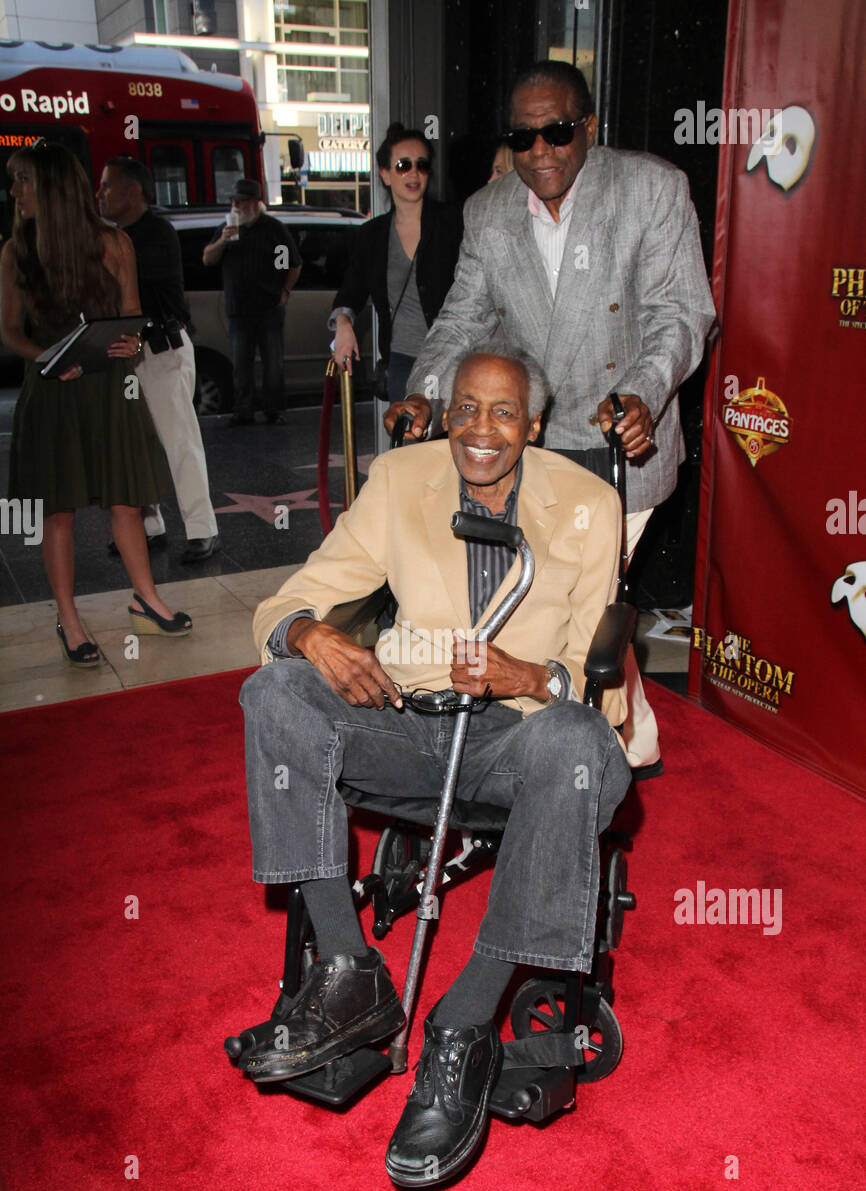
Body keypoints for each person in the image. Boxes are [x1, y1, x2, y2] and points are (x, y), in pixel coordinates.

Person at [236, 348, 632, 1189]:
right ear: (446, 411)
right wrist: (310, 634)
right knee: (275, 693)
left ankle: (464, 1023)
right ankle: (348, 976)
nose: (478, 430)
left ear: (531, 425)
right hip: (410, 723)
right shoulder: (400, 479)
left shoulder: (590, 505)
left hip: (520, 738)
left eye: (502, 414)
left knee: (571, 743)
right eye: (465, 409)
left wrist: (533, 678)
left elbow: (596, 678)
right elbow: (295, 595)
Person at [386, 60, 717, 776]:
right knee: (569, 603)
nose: (540, 152)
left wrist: (641, 393)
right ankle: (628, 734)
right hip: (528, 446)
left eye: (558, 133)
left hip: (618, 443)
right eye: (524, 136)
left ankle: (600, 753)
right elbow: (461, 321)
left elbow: (682, 315)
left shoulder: (652, 190)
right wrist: (428, 391)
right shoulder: (489, 210)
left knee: (588, 602)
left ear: (589, 128)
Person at [0, 142, 192, 665]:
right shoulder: (16, 252)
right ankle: (69, 619)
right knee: (56, 510)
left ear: (53, 187)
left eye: (22, 180)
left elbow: (131, 314)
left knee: (126, 499)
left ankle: (147, 599)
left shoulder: (113, 244)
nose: (14, 191)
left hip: (109, 387)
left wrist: (130, 343)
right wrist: (50, 356)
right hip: (52, 388)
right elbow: (10, 333)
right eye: (13, 181)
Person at [97, 156, 221, 563]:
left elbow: (139, 289)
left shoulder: (156, 234)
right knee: (136, 444)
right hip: (125, 354)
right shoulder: (114, 236)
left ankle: (203, 530)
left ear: (133, 191)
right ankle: (150, 527)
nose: (99, 194)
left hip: (161, 349)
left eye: (107, 186)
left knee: (179, 441)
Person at [329, 122, 463, 402]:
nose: (413, 173)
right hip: (403, 359)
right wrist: (343, 325)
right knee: (407, 441)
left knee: (451, 443)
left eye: (421, 165)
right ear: (385, 174)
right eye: (403, 165)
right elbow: (351, 292)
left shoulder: (452, 223)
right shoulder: (371, 236)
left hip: (453, 357)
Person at [202, 178, 301, 426]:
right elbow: (207, 259)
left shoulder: (273, 229)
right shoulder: (228, 228)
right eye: (234, 202)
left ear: (255, 204)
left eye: (241, 202)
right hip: (238, 309)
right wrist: (223, 240)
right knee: (240, 364)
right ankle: (243, 409)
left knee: (273, 364)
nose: (236, 207)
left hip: (268, 307)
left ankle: (274, 409)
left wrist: (284, 291)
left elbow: (292, 263)